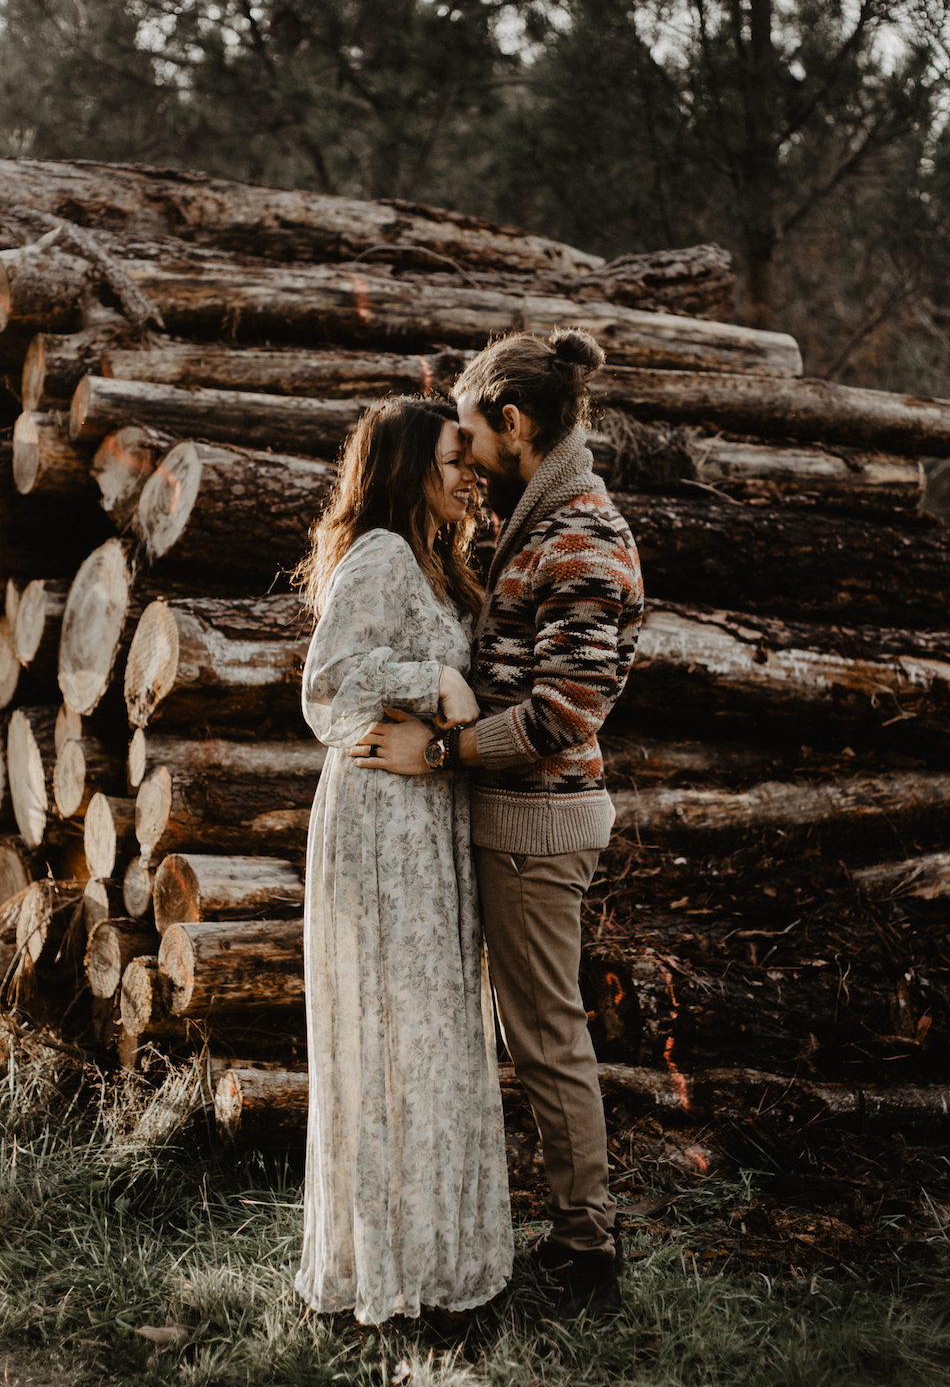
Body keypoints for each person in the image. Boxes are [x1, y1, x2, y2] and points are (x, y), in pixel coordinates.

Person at [351, 328, 644, 1320]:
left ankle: (584, 1257)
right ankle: (555, 1235)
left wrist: (439, 753)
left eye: (472, 441)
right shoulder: (543, 517)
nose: (467, 465)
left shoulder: (578, 537)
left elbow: (565, 713)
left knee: (548, 1041)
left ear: (513, 424)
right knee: (533, 1036)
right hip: (516, 822)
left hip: (535, 828)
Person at [293, 395, 513, 1326]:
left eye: (473, 457)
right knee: (397, 1042)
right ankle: (387, 1272)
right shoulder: (381, 554)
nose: (472, 473)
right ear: (405, 466)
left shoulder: (433, 562)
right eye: (454, 458)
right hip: (382, 827)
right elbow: (327, 680)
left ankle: (436, 1264)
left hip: (425, 824)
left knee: (431, 1044)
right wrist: (436, 680)